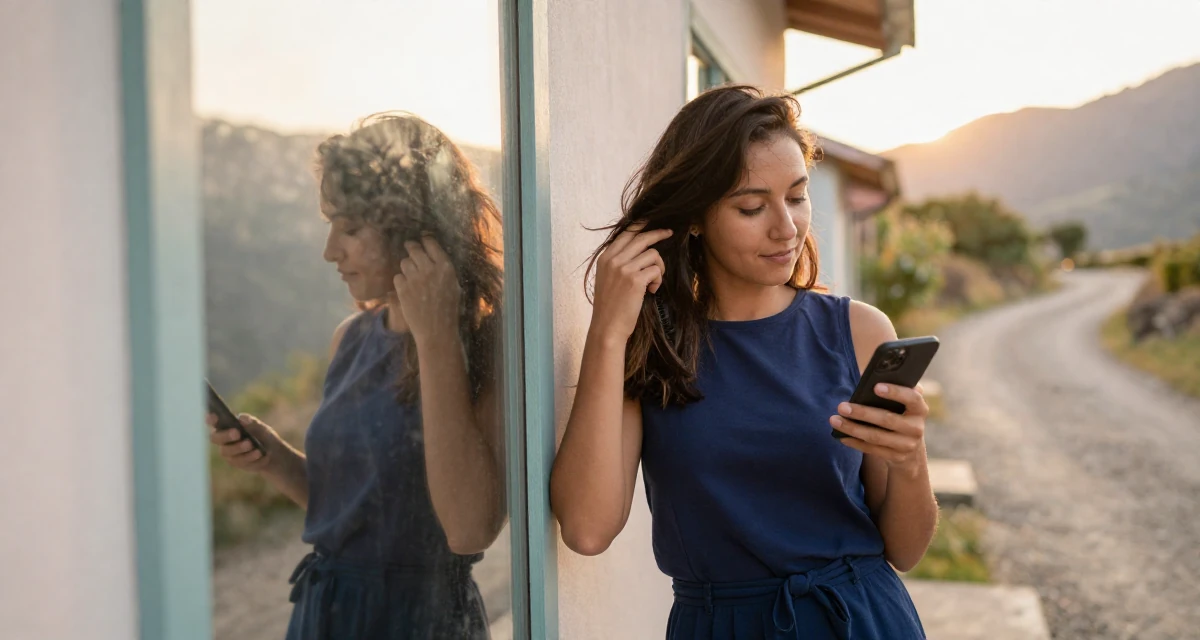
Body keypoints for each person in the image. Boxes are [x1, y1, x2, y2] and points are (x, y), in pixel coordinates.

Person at [549, 86, 935, 639]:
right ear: (696, 217)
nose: (786, 228)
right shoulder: (654, 346)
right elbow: (587, 530)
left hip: (860, 618)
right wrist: (608, 332)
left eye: (797, 197)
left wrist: (911, 459)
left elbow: (906, 550)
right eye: (752, 207)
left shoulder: (859, 332)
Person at [208, 113, 506, 639]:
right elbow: (359, 513)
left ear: (415, 228)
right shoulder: (351, 339)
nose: (330, 251)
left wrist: (436, 337)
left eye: (350, 228)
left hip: (421, 622)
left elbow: (468, 529)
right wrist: (276, 460)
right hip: (324, 613)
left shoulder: (487, 343)